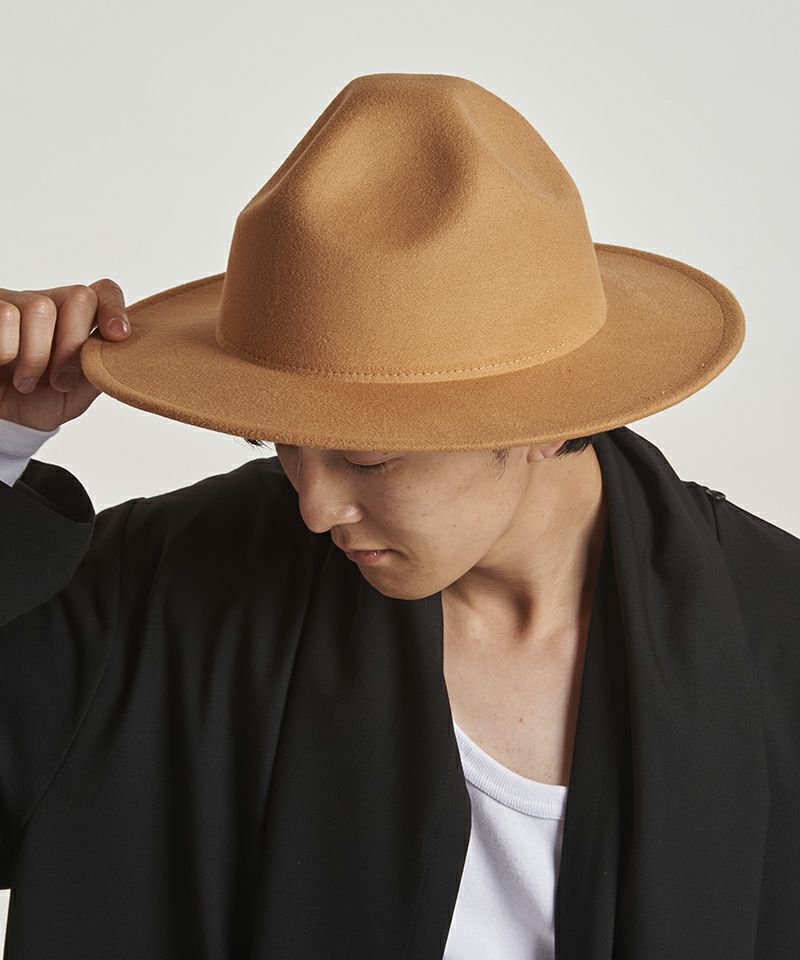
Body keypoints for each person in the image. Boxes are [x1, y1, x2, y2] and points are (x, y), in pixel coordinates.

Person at [0, 72, 798, 960]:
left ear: (546, 421)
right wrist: (1, 442)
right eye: (278, 442)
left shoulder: (777, 630)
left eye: (369, 459)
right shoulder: (160, 589)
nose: (314, 509)